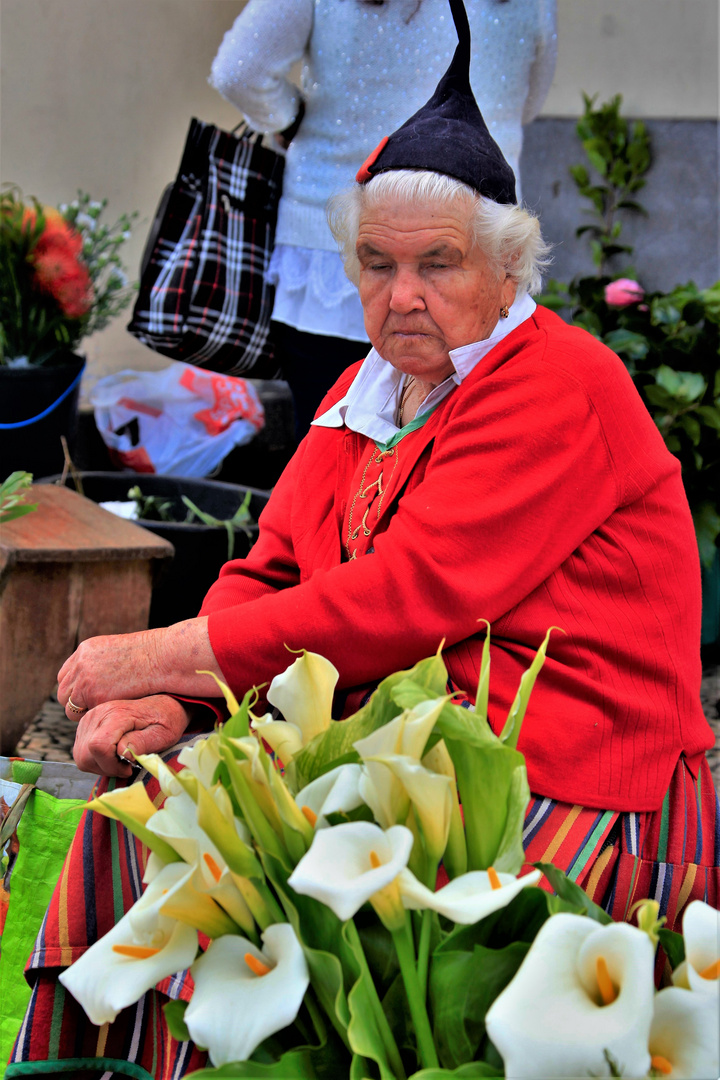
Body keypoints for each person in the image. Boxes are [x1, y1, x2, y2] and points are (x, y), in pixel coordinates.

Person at [9, 1, 717, 1074]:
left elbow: (404, 600)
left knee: (313, 880)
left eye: (437, 264)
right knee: (138, 819)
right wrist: (189, 698)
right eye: (378, 267)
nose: (404, 298)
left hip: (560, 767)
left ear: (507, 268)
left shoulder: (560, 383)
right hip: (388, 737)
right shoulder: (363, 385)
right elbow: (272, 566)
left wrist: (153, 653)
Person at [209, 0, 557, 437]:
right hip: (474, 251)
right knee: (467, 447)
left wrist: (289, 117)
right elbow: (529, 99)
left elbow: (238, 71)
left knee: (330, 454)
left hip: (333, 256)